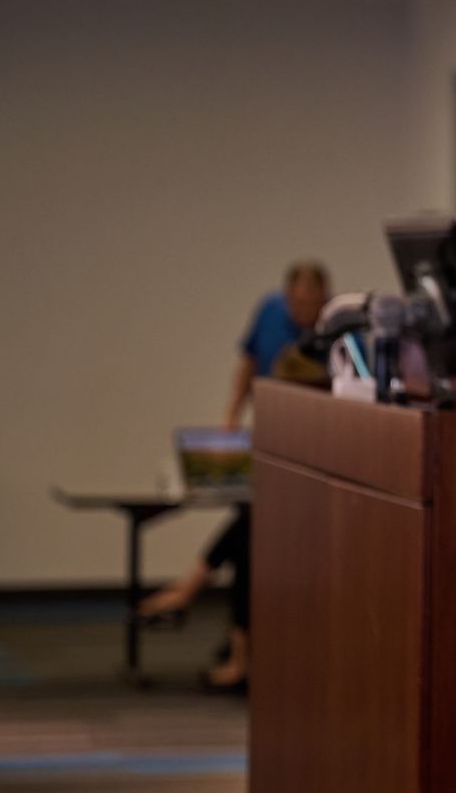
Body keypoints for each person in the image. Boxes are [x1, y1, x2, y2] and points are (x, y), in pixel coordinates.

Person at [141, 260, 331, 691]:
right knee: (249, 527)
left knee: (250, 529)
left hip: (309, 464)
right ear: (286, 299)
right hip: (274, 449)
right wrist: (231, 417)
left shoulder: (337, 335)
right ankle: (230, 637)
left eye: (311, 302)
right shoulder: (268, 313)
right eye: (297, 302)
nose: (303, 309)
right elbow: (247, 364)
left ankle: (195, 593)